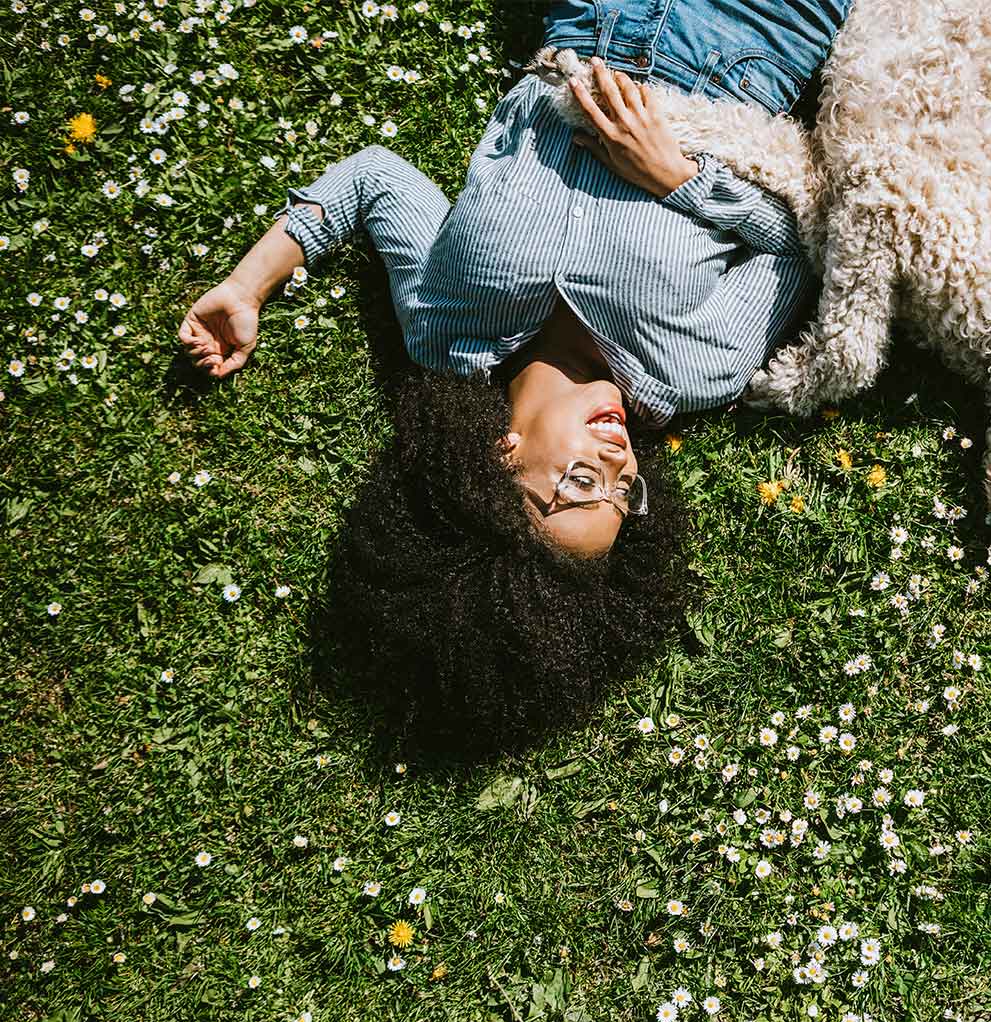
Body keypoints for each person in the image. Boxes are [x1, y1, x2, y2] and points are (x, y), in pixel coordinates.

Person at [177, 0, 851, 751]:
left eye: (582, 486)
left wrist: (246, 287)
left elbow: (375, 183)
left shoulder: (445, 328)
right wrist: (678, 178)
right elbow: (794, 248)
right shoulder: (693, 372)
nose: (617, 464)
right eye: (627, 494)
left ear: (498, 465)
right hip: (753, 42)